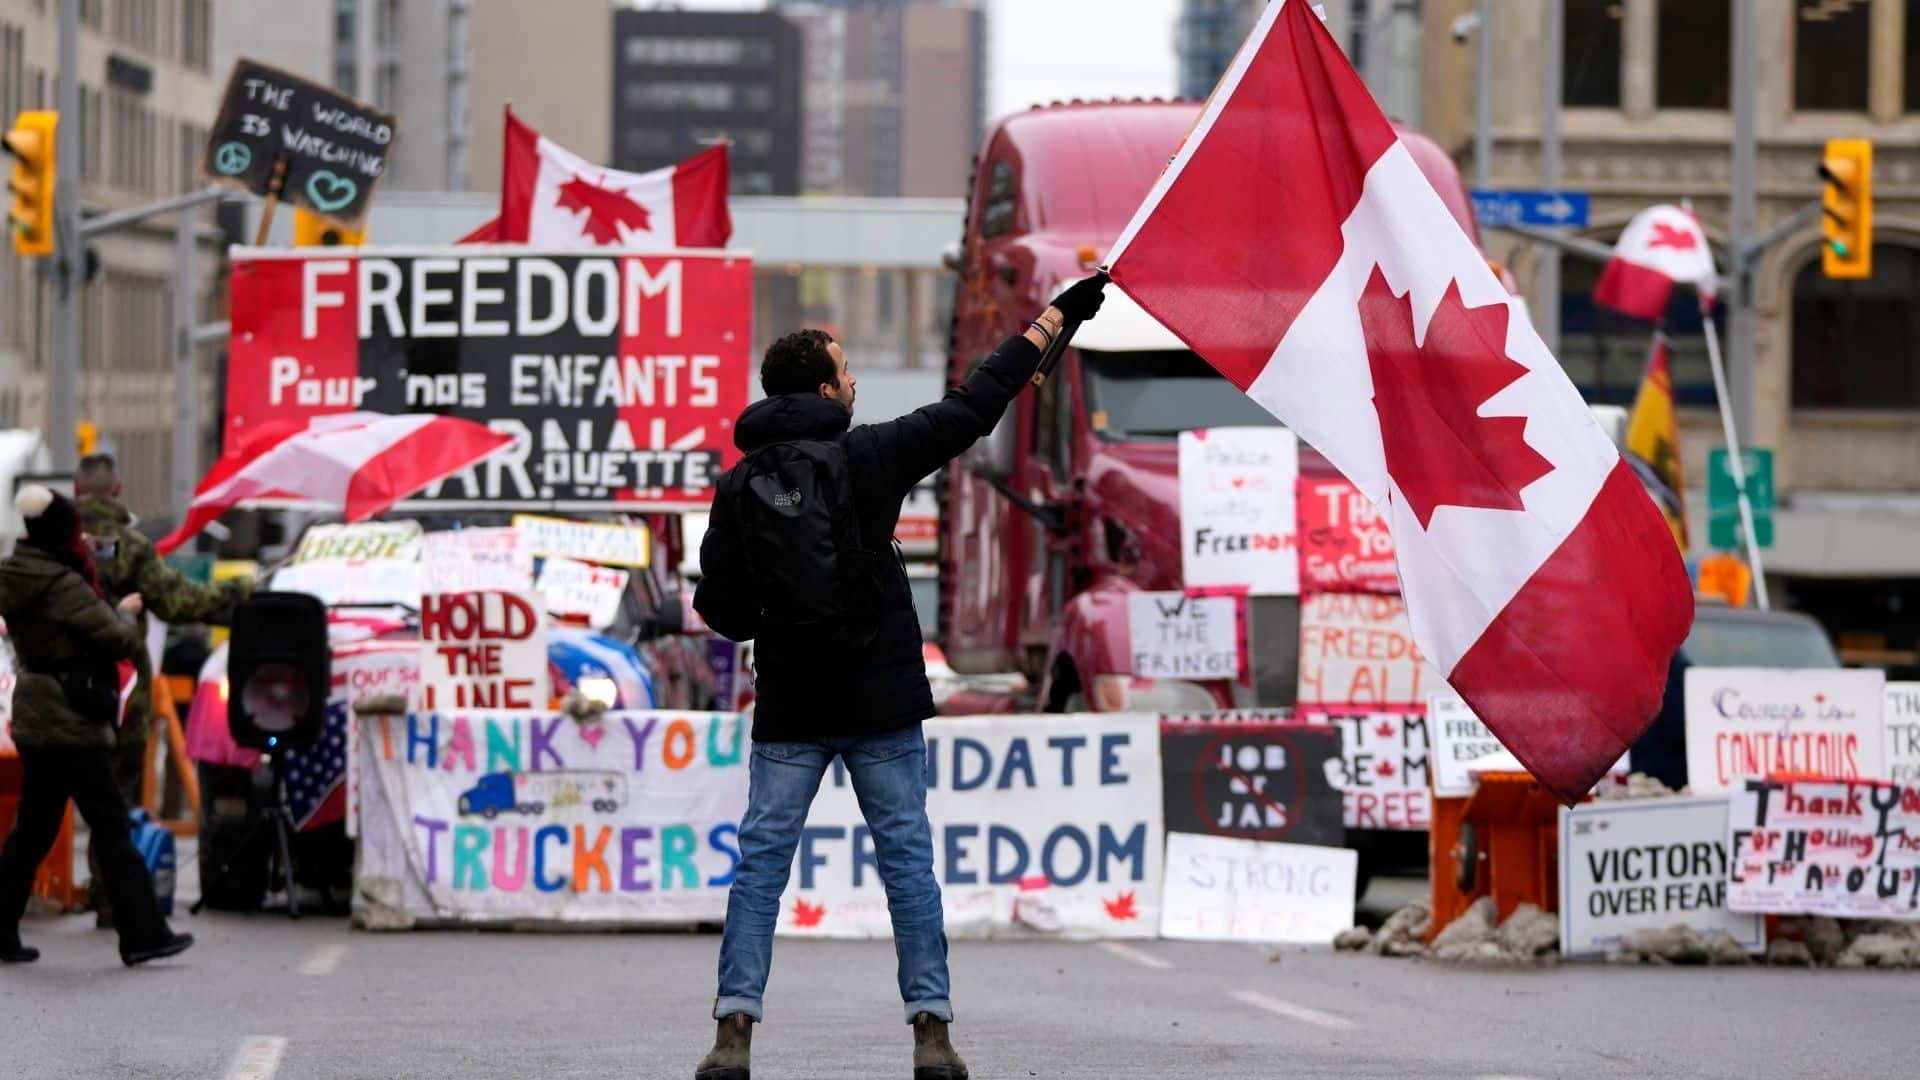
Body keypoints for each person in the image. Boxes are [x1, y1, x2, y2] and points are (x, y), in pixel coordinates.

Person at [692, 273, 1109, 1080]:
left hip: (789, 707)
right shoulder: (870, 455)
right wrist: (1055, 319)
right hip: (880, 703)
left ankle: (732, 1036)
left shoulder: (738, 485)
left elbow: (722, 606)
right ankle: (932, 1035)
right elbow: (973, 405)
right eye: (847, 374)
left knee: (761, 868)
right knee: (907, 866)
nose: (856, 385)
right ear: (824, 389)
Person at [0, 485, 194, 965]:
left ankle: (0, 930)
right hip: (70, 719)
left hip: (34, 712)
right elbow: (116, 640)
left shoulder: (14, 574)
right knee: (111, 826)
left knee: (34, 830)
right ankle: (144, 933)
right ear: (61, 536)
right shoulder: (64, 585)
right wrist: (124, 614)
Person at [74, 453, 249, 926]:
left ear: (75, 490)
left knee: (47, 807)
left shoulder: (54, 544)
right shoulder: (131, 548)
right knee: (120, 801)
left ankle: (19, 901)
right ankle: (114, 901)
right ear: (118, 489)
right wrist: (238, 595)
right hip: (121, 693)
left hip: (60, 692)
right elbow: (177, 600)